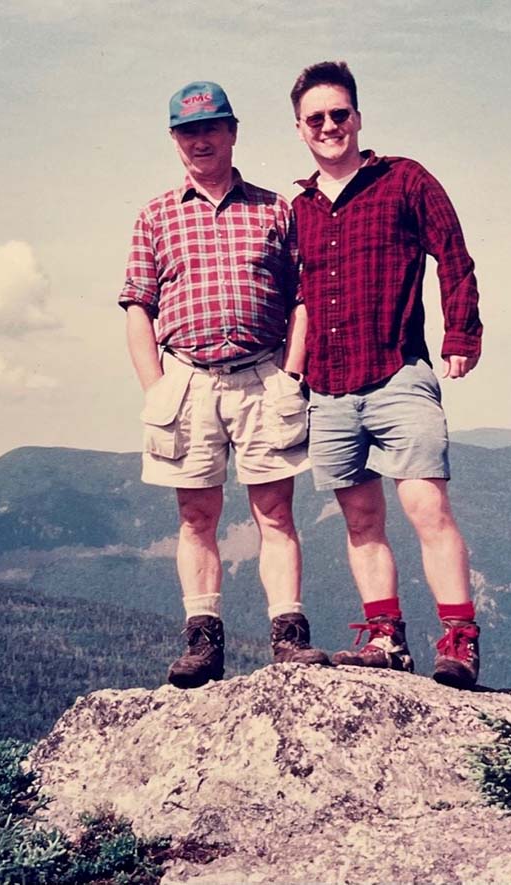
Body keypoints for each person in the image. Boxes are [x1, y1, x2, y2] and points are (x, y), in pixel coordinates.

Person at [119, 80, 329, 689]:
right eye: (188, 130)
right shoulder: (156, 215)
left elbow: (303, 298)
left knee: (275, 512)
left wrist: (292, 373)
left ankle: (289, 637)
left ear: (233, 131)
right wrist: (156, 387)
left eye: (211, 127)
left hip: (263, 375)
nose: (201, 139)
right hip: (186, 379)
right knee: (196, 516)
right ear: (174, 139)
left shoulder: (274, 209)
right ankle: (202, 642)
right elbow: (138, 306)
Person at [289, 61, 484, 688]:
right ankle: (385, 638)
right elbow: (293, 298)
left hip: (398, 370)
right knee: (361, 521)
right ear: (300, 128)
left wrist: (463, 332)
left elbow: (452, 253)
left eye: (338, 114)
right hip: (328, 384)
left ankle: (458, 638)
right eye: (315, 118)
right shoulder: (301, 209)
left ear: (358, 118)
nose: (329, 126)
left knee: (427, 506)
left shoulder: (405, 180)